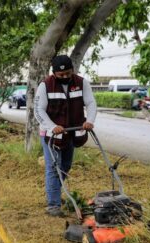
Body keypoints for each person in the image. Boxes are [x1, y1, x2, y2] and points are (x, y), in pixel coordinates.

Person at [34, 55, 97, 217]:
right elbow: (38, 110)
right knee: (53, 168)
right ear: (54, 73)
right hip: (51, 134)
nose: (65, 77)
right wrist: (52, 126)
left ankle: (54, 190)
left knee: (65, 166)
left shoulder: (81, 83)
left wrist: (89, 121)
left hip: (71, 132)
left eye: (68, 74)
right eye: (61, 75)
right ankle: (53, 204)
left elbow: (90, 103)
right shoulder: (45, 85)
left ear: (72, 71)